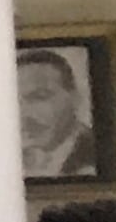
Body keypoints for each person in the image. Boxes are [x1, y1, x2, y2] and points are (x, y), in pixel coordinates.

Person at [20, 49, 97, 179]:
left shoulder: (95, 156)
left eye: (39, 97)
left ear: (75, 98)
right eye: (14, 102)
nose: (24, 114)